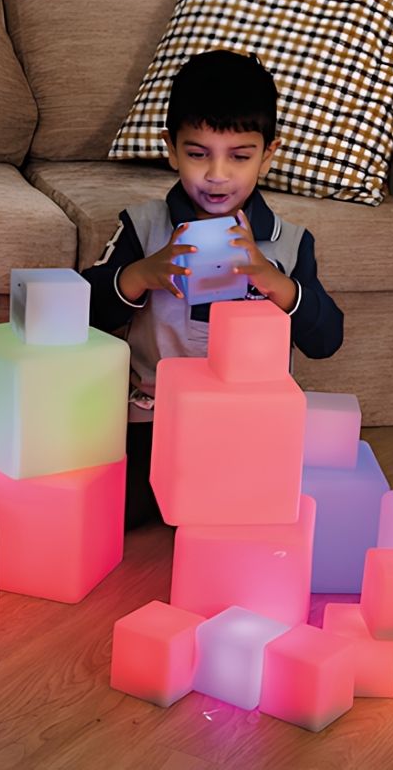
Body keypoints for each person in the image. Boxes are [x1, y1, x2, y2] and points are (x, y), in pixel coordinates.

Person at [81, 49, 343, 529]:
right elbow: (85, 313)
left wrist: (276, 283)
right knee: (113, 509)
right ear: (172, 149)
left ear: (268, 154)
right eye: (198, 154)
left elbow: (326, 340)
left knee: (269, 509)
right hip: (155, 420)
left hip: (248, 423)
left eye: (240, 157)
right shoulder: (143, 226)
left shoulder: (289, 243)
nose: (217, 175)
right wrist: (140, 274)